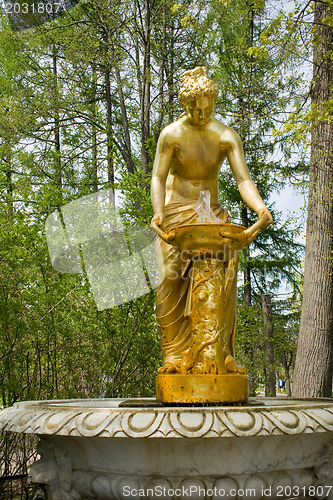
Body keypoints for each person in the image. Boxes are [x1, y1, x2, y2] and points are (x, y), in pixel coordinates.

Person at [151, 66, 273, 374]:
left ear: (213, 102)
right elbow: (157, 176)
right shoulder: (171, 135)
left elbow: (243, 179)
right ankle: (173, 356)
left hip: (210, 214)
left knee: (224, 278)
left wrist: (260, 209)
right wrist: (159, 212)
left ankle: (221, 352)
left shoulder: (225, 136)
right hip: (176, 210)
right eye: (194, 108)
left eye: (206, 108)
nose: (201, 114)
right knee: (169, 277)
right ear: (184, 104)